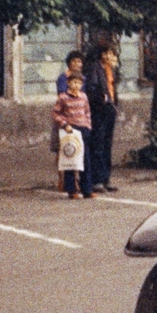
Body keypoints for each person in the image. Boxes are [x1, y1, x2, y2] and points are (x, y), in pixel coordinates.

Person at [85, 45, 120, 193]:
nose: (111, 56)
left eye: (112, 53)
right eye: (109, 53)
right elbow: (91, 89)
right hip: (99, 111)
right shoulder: (95, 68)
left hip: (110, 110)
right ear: (102, 54)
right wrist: (102, 98)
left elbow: (112, 89)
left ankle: (106, 179)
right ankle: (97, 180)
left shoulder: (110, 70)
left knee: (107, 144)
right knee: (98, 144)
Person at [53, 72, 94, 198]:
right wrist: (65, 124)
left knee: (85, 160)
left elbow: (87, 112)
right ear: (68, 83)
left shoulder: (83, 97)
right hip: (70, 130)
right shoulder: (63, 98)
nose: (76, 85)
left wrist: (88, 125)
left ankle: (87, 189)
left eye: (78, 83)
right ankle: (72, 190)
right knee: (71, 160)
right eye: (73, 82)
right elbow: (56, 113)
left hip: (83, 129)